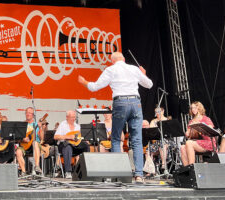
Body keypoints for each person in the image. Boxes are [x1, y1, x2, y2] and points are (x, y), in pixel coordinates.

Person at [78, 51, 153, 183]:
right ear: (123, 59)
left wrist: (84, 82)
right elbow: (149, 85)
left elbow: (94, 87)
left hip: (120, 103)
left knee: (116, 137)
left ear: (112, 61)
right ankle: (139, 175)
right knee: (136, 140)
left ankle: (120, 174)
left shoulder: (110, 69)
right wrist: (143, 74)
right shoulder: (134, 69)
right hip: (136, 103)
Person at [54, 110, 89, 178]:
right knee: (68, 147)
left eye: (74, 117)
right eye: (71, 117)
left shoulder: (77, 126)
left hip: (75, 145)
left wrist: (83, 140)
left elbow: (79, 137)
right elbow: (55, 137)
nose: (73, 119)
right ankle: (68, 172)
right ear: (67, 117)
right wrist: (68, 137)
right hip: (63, 145)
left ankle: (85, 170)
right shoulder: (62, 124)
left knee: (86, 146)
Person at [180, 101, 216, 166]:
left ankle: (192, 167)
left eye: (194, 108)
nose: (193, 109)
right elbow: (187, 135)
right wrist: (188, 132)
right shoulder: (191, 121)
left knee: (188, 143)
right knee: (182, 147)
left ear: (199, 108)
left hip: (208, 142)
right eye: (192, 108)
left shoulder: (205, 119)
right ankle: (187, 169)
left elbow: (210, 130)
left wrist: (199, 128)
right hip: (196, 142)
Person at [15, 107, 44, 175]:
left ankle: (36, 166)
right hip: (24, 146)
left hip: (34, 146)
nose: (28, 114)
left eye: (30, 113)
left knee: (35, 143)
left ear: (33, 115)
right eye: (27, 112)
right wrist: (23, 139)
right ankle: (23, 171)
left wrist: (40, 128)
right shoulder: (22, 125)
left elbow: (41, 138)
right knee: (18, 151)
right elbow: (17, 138)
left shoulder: (36, 124)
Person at [147, 107, 174, 172]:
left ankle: (163, 164)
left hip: (167, 141)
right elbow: (151, 132)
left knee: (163, 143)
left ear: (163, 111)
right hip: (156, 142)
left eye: (159, 111)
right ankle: (150, 169)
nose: (157, 113)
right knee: (147, 148)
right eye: (156, 112)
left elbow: (171, 133)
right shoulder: (153, 121)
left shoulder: (167, 120)